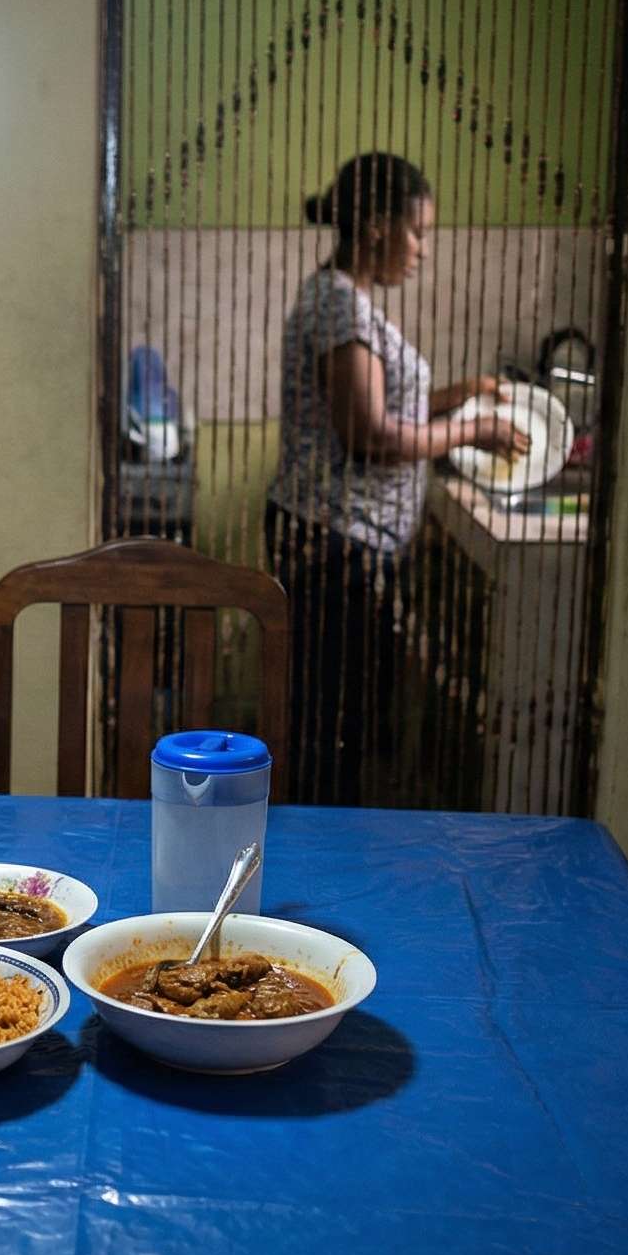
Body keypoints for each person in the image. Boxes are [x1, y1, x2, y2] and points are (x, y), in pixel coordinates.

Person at [262, 151, 528, 806]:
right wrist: (471, 430)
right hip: (335, 545)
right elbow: (370, 435)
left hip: (344, 541)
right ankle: (325, 846)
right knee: (335, 726)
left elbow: (378, 411)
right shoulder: (341, 307)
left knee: (341, 718)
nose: (423, 250)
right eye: (419, 232)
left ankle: (330, 836)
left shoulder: (343, 300)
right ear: (378, 226)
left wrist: (460, 396)